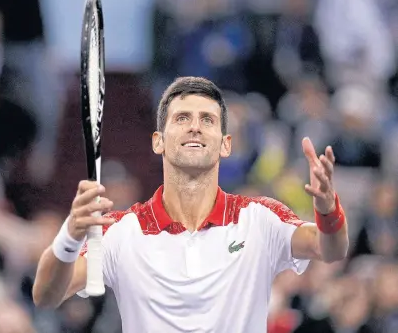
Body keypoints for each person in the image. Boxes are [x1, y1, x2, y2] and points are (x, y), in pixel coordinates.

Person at [33, 77, 349, 333]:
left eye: (207, 119)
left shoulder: (260, 219)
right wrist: (69, 237)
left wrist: (327, 207)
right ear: (158, 140)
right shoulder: (120, 232)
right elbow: (46, 295)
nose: (194, 127)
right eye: (182, 118)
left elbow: (330, 249)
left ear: (226, 144)